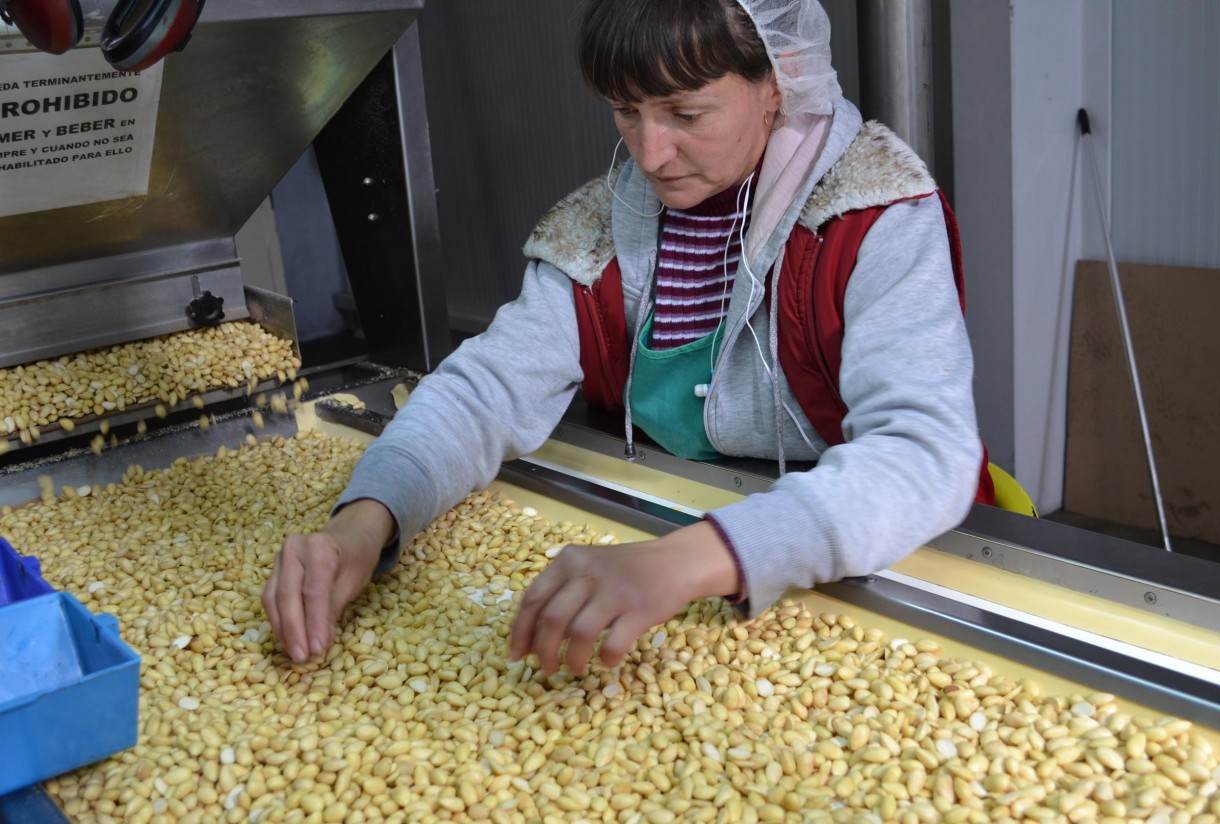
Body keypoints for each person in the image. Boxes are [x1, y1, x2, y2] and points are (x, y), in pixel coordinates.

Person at [262, 0, 990, 676]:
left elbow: (923, 454)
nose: (651, 153)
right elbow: (483, 392)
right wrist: (364, 524)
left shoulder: (874, 214)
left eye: (685, 112)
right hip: (689, 557)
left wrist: (686, 562)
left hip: (875, 566)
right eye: (626, 112)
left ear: (779, 80)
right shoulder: (599, 229)